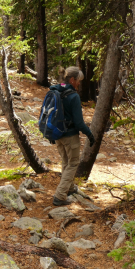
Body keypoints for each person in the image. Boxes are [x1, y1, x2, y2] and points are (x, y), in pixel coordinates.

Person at [50, 67, 96, 206]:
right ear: (72, 80)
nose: (79, 84)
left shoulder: (56, 89)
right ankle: (60, 196)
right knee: (73, 164)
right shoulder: (73, 96)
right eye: (78, 81)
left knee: (65, 161)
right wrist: (90, 134)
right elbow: (79, 122)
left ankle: (69, 188)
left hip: (57, 134)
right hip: (70, 136)